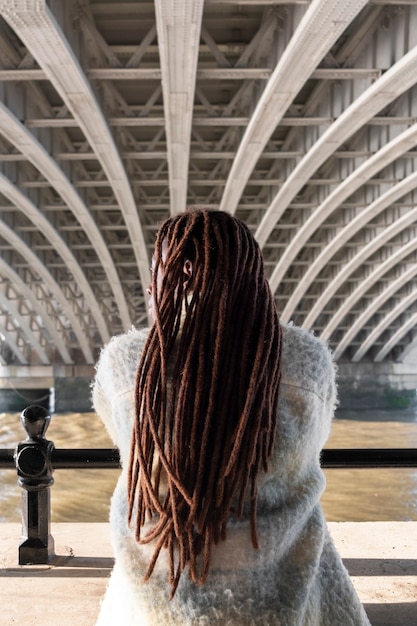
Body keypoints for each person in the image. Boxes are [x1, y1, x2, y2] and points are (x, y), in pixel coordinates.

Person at [92, 208, 370, 625]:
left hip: (161, 597)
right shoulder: (308, 361)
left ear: (169, 277)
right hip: (283, 597)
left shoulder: (129, 363)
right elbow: (314, 444)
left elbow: (123, 436)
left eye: (155, 275)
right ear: (252, 278)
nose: (150, 289)